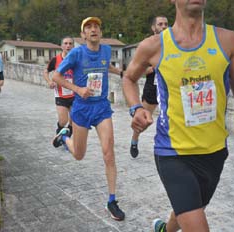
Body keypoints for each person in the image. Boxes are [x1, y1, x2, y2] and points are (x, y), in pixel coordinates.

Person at [122, 0, 234, 231]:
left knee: (190, 207)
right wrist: (136, 108)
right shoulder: (154, 45)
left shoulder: (228, 41)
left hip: (215, 152)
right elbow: (128, 78)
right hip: (173, 152)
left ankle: (164, 230)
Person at [51, 17, 125, 221]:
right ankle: (65, 137)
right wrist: (77, 89)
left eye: (96, 27)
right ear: (83, 35)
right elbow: (56, 76)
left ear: (100, 33)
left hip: (101, 107)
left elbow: (106, 65)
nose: (93, 30)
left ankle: (112, 200)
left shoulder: (107, 50)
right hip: (81, 109)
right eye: (88, 27)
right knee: (79, 155)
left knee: (109, 152)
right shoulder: (76, 53)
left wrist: (120, 72)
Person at [130, 16, 168, 158]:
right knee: (143, 119)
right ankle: (134, 140)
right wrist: (152, 68)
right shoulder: (148, 46)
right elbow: (136, 73)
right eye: (160, 24)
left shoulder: (174, 44)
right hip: (152, 87)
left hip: (168, 88)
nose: (164, 26)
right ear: (153, 28)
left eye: (166, 24)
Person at [43, 36, 75, 136]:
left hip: (74, 94)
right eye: (65, 43)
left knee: (75, 118)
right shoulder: (55, 60)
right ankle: (60, 130)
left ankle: (67, 136)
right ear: (61, 46)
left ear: (73, 46)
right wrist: (49, 81)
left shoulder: (76, 59)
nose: (68, 46)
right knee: (63, 120)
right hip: (60, 95)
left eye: (70, 43)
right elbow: (45, 71)